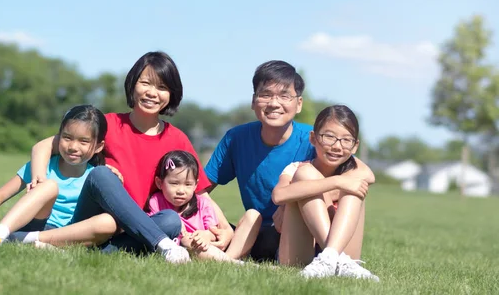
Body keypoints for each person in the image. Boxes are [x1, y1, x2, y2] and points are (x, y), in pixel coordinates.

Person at [26, 51, 233, 263]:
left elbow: (199, 194)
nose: (152, 93)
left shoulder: (177, 139)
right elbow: (42, 147)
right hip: (92, 223)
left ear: (171, 94)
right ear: (133, 84)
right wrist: (39, 180)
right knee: (101, 174)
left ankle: (83, 250)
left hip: (130, 236)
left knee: (170, 220)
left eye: (162, 87)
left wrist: (225, 228)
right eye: (146, 83)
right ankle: (162, 245)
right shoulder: (107, 125)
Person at [203, 60, 315, 262]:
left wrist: (289, 204)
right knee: (227, 227)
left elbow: (353, 176)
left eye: (284, 96)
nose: (274, 103)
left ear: (298, 104)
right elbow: (200, 190)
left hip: (301, 232)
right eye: (266, 95)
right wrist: (222, 227)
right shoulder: (236, 138)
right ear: (254, 101)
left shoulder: (312, 139)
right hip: (255, 233)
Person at [0, 105, 116, 247]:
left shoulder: (94, 177)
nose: (73, 147)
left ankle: (30, 240)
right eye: (67, 137)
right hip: (35, 223)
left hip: (66, 234)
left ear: (98, 147)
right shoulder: (43, 166)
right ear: (58, 137)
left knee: (109, 222)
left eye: (84, 141)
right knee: (49, 186)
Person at [272, 105, 378, 281]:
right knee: (306, 175)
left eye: (346, 140)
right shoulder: (297, 168)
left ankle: (332, 257)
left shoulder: (353, 173)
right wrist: (336, 182)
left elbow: (369, 176)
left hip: (345, 255)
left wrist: (340, 185)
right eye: (329, 137)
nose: (337, 146)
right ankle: (332, 257)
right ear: (313, 138)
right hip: (298, 254)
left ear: (354, 146)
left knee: (353, 188)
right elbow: (278, 196)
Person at [148, 150, 261, 263]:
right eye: (174, 183)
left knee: (253, 215)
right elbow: (155, 228)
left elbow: (214, 231)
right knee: (188, 241)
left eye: (188, 184)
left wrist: (207, 235)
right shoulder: (156, 201)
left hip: (215, 246)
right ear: (159, 183)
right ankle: (230, 262)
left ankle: (229, 260)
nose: (181, 191)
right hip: (194, 248)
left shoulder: (202, 203)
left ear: (195, 185)